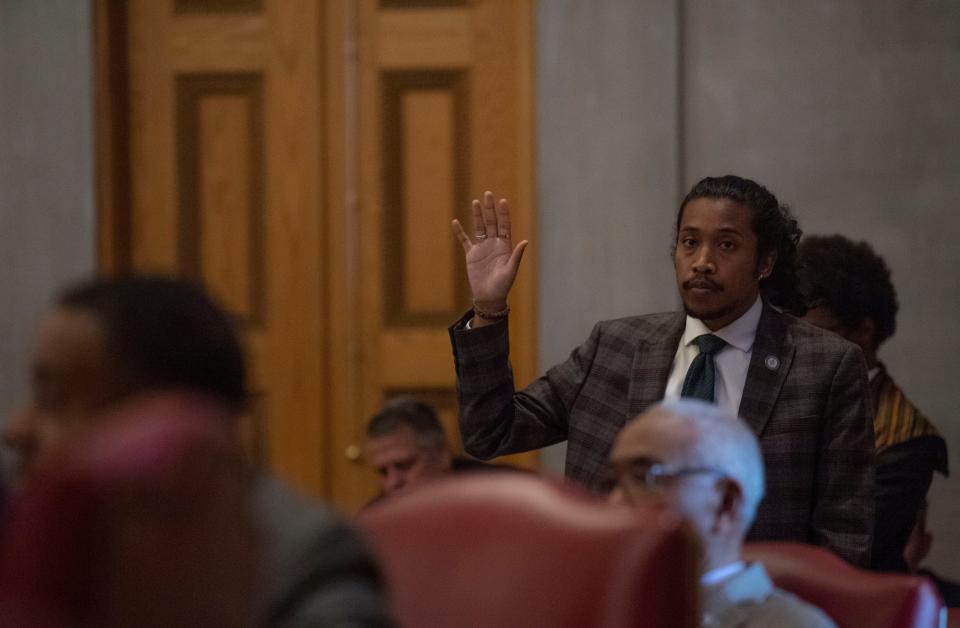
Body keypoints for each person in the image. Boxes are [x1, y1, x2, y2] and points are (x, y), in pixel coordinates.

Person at [449, 175, 875, 565]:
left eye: (726, 245)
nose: (702, 261)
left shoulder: (825, 365)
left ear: (764, 262)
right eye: (690, 243)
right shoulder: (615, 346)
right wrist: (488, 308)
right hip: (616, 594)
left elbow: (844, 534)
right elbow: (492, 432)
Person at [1, 275, 391, 628]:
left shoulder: (306, 558)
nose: (15, 428)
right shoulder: (34, 538)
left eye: (53, 399)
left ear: (176, 428)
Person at [609, 399, 837, 627]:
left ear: (726, 503)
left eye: (644, 477)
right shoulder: (602, 601)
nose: (614, 502)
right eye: (613, 481)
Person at [797, 235, 948, 572]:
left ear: (862, 332)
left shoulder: (907, 439)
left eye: (812, 335)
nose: (794, 348)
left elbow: (848, 553)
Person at [365, 396, 512, 501]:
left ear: (442, 453)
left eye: (404, 465)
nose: (393, 483)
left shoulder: (506, 496)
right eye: (383, 472)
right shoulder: (373, 521)